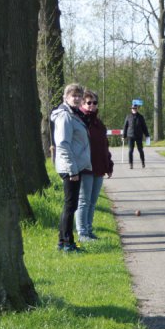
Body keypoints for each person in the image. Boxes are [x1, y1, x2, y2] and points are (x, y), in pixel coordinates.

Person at [51, 83, 92, 252]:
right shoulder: (65, 116)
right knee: (70, 205)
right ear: (65, 98)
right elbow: (63, 144)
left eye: (79, 95)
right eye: (73, 95)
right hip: (70, 167)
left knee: (72, 204)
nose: (76, 98)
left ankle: (65, 241)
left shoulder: (74, 115)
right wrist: (72, 169)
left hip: (75, 166)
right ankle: (66, 242)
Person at [75, 90, 113, 242]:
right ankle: (82, 233)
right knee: (83, 201)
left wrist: (108, 165)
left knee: (92, 202)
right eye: (88, 102)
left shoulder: (99, 124)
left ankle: (89, 230)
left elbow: (104, 146)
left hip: (98, 168)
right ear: (83, 104)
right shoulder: (79, 121)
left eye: (94, 103)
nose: (91, 105)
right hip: (85, 167)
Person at [123, 102, 149, 169]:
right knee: (130, 150)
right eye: (133, 108)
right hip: (130, 136)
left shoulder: (140, 117)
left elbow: (144, 127)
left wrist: (147, 135)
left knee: (140, 150)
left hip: (138, 136)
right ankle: (131, 164)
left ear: (137, 109)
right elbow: (125, 127)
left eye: (135, 108)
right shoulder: (128, 116)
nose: (134, 109)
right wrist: (123, 136)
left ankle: (143, 162)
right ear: (131, 109)